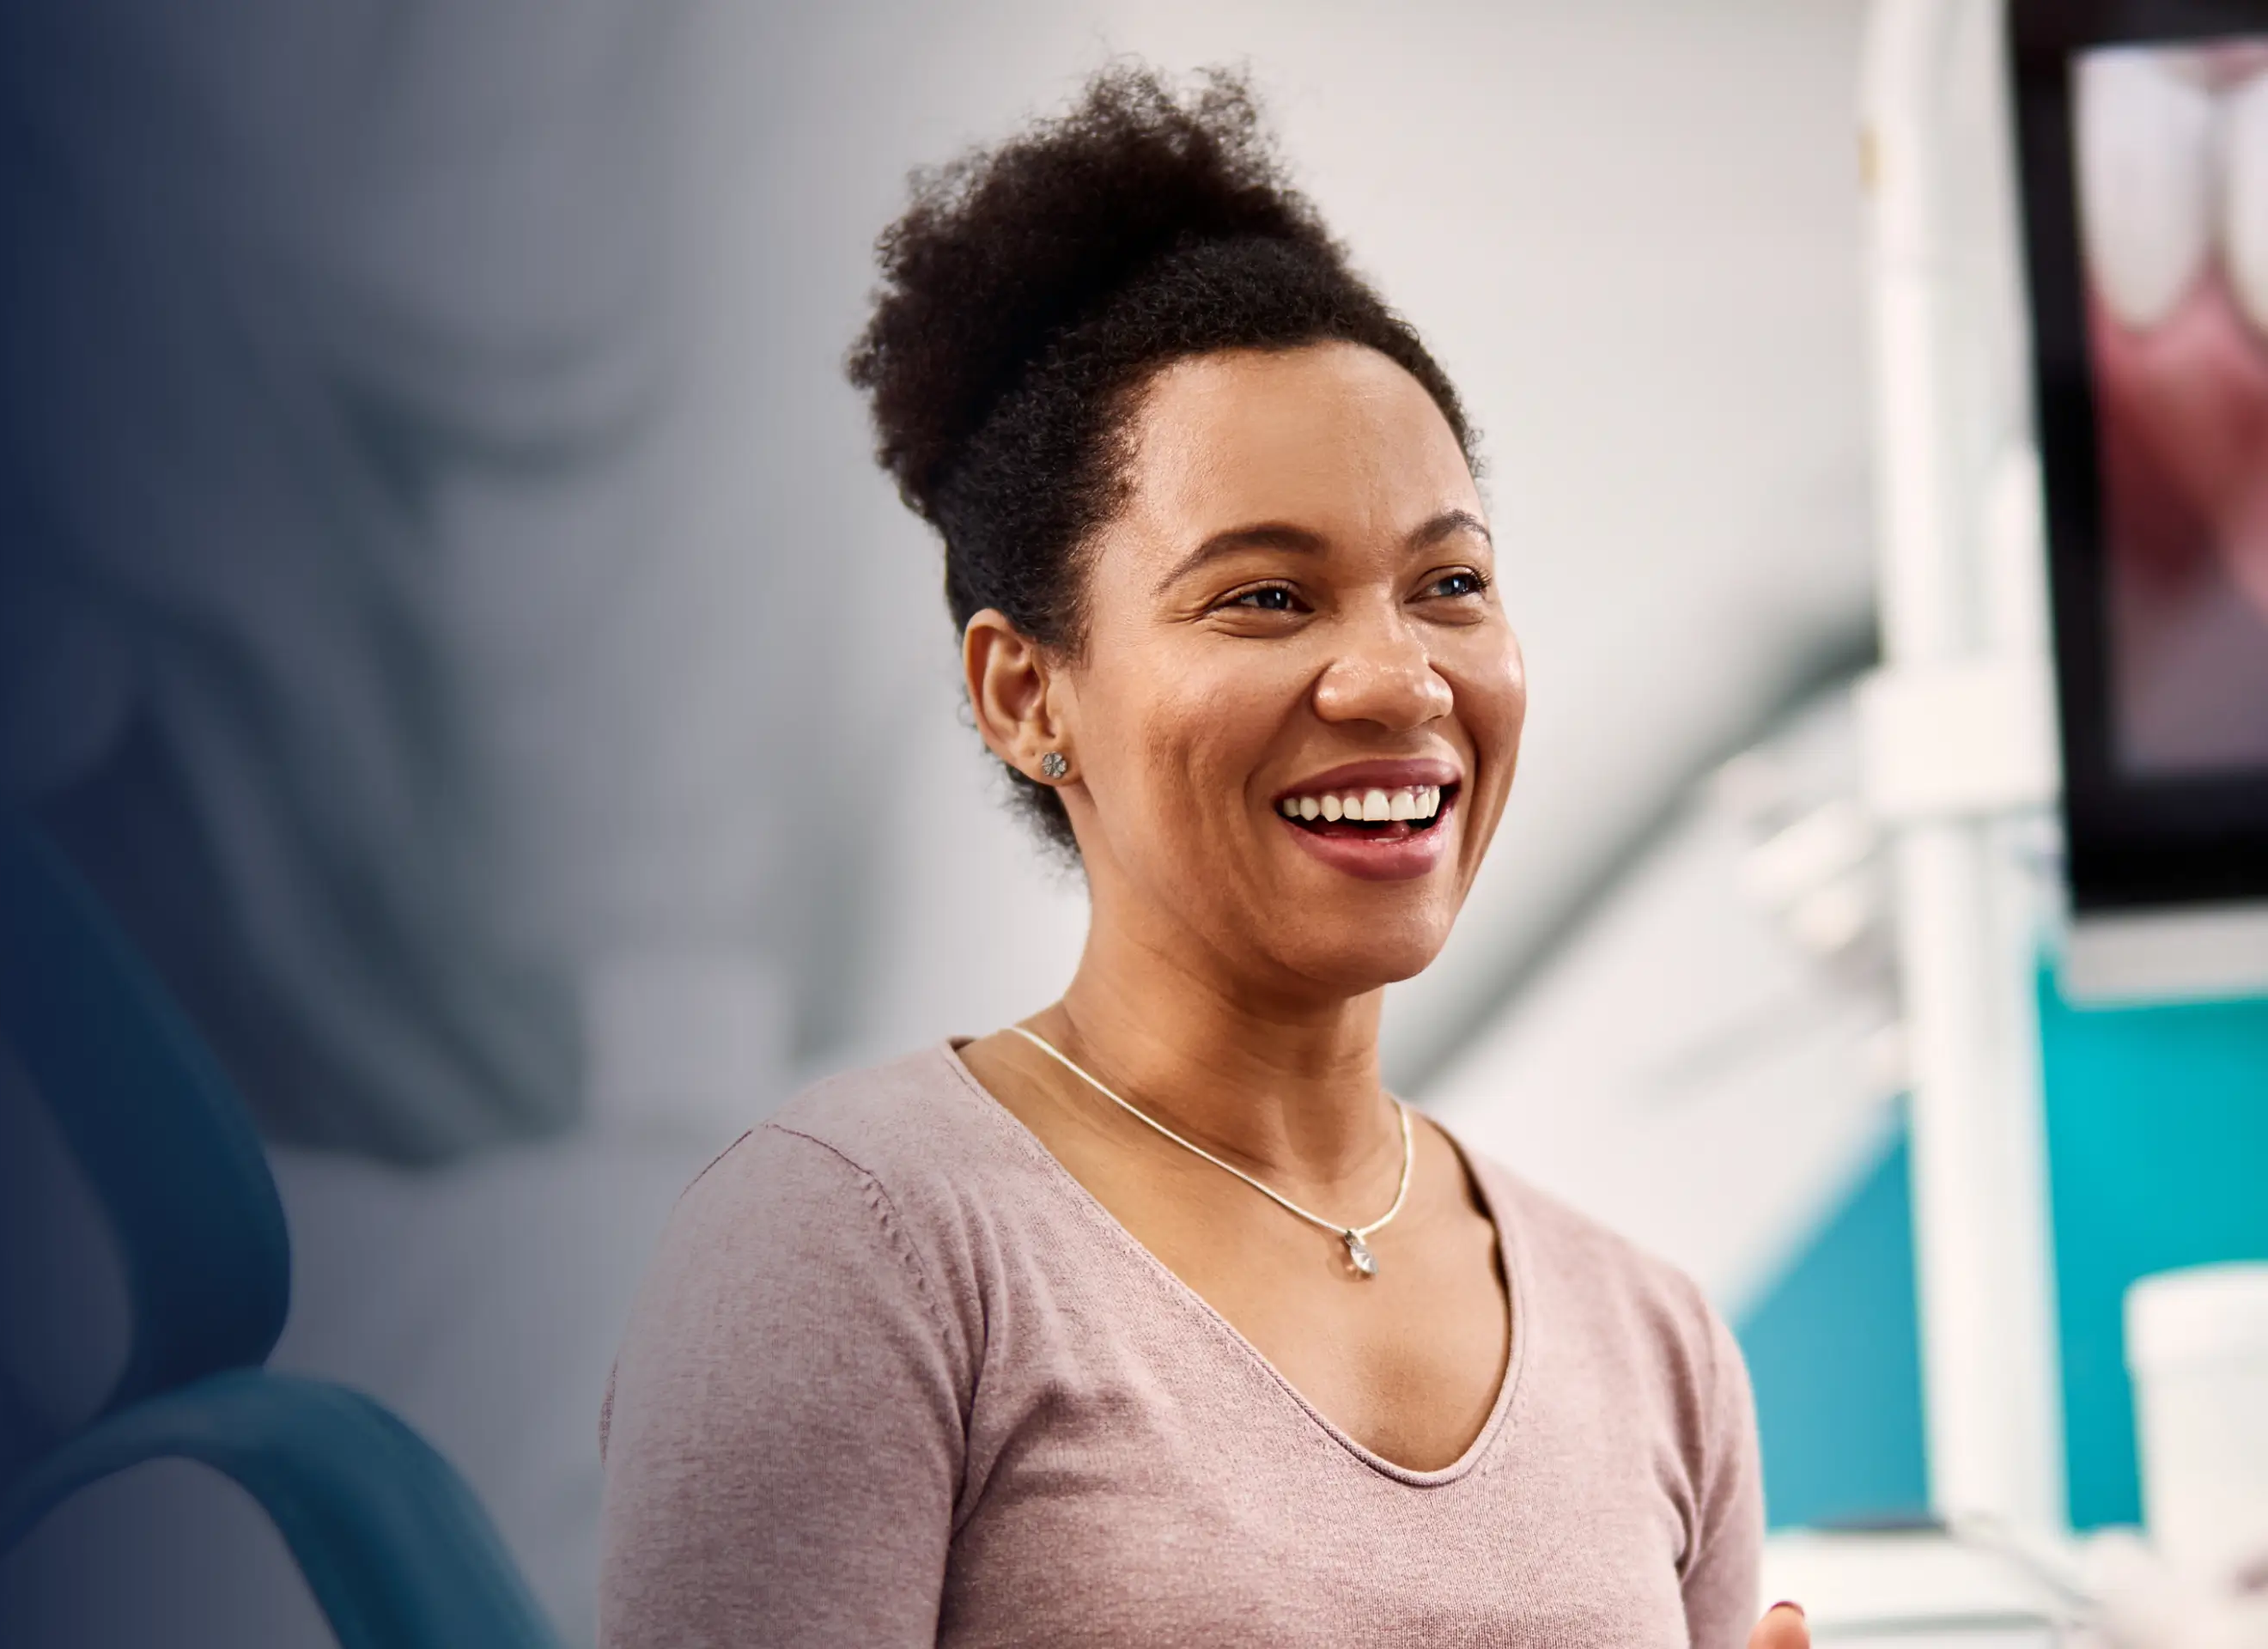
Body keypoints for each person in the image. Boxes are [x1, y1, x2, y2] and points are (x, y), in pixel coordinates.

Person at [596, 67, 1810, 1649]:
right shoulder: (854, 1247)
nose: (1399, 679)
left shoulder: (1654, 1342)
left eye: (1449, 584)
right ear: (1026, 694)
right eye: (1265, 597)